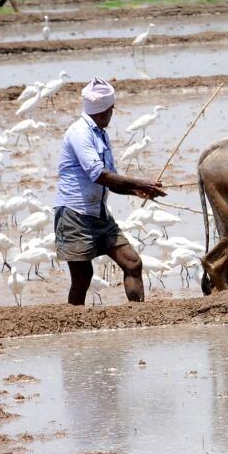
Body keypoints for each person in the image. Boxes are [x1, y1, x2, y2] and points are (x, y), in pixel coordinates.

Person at [54, 78, 168, 306]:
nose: (112, 114)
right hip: (75, 215)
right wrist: (139, 183)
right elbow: (99, 174)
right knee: (82, 279)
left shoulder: (100, 134)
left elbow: (111, 181)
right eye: (112, 109)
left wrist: (139, 190)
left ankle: (138, 315)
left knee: (132, 263)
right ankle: (75, 326)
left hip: (99, 213)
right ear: (105, 110)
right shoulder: (79, 133)